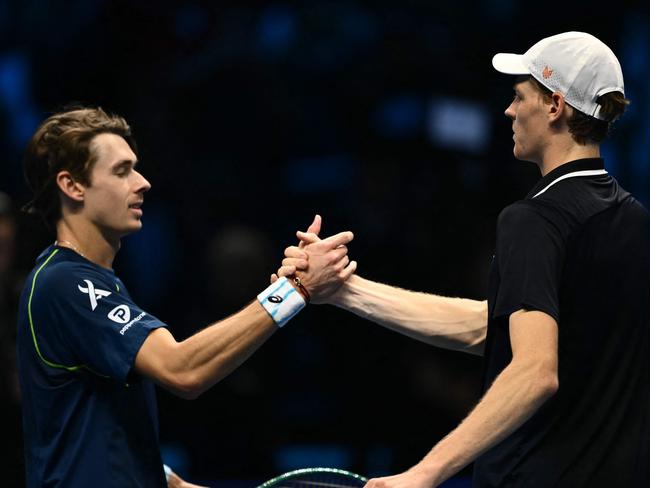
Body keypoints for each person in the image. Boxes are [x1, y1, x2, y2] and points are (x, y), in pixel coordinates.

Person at [278, 32, 650, 487]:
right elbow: (495, 329)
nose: (509, 111)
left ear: (555, 106)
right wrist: (345, 291)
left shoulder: (534, 219)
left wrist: (424, 473)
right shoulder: (634, 219)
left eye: (519, 96)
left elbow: (535, 370)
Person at [16, 106, 357, 487]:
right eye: (121, 170)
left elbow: (89, 427)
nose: (143, 182)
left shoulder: (89, 282)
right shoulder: (66, 284)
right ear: (73, 186)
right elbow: (182, 370)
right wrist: (293, 290)